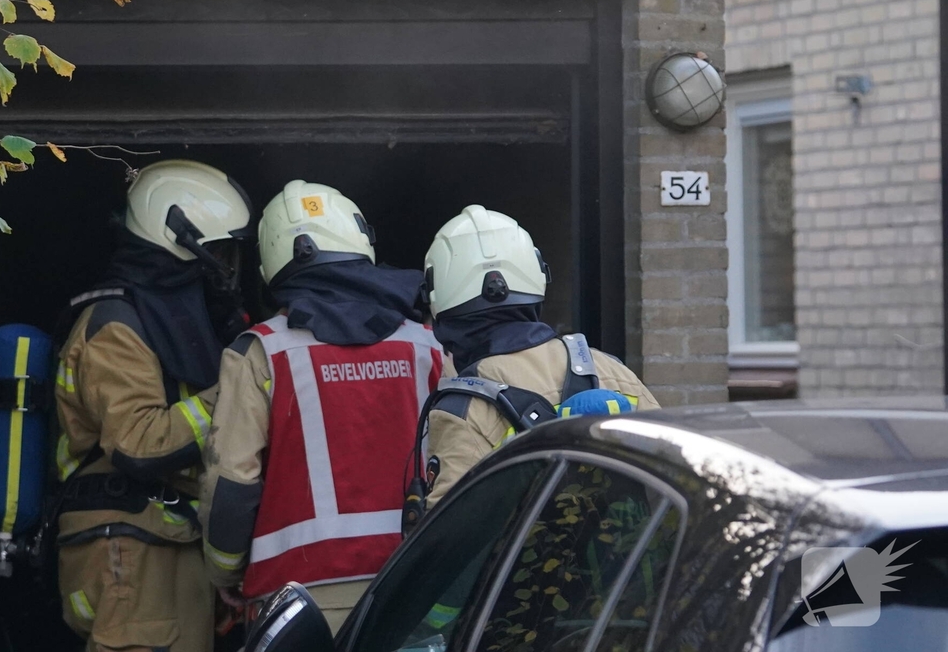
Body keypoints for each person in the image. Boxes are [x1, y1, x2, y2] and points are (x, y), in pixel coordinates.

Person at [199, 180, 443, 634]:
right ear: (357, 239)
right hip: (411, 594)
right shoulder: (428, 346)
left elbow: (231, 483)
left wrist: (225, 574)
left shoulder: (261, 352)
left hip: (296, 607)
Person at [53, 159, 254, 652]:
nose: (228, 267)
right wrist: (240, 388)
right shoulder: (115, 326)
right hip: (129, 554)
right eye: (220, 251)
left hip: (165, 547)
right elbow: (139, 443)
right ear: (179, 241)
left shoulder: (166, 318)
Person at [421, 205, 660, 507]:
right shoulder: (613, 373)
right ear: (537, 279)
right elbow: (675, 474)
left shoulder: (463, 407)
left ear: (438, 298)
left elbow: (450, 537)